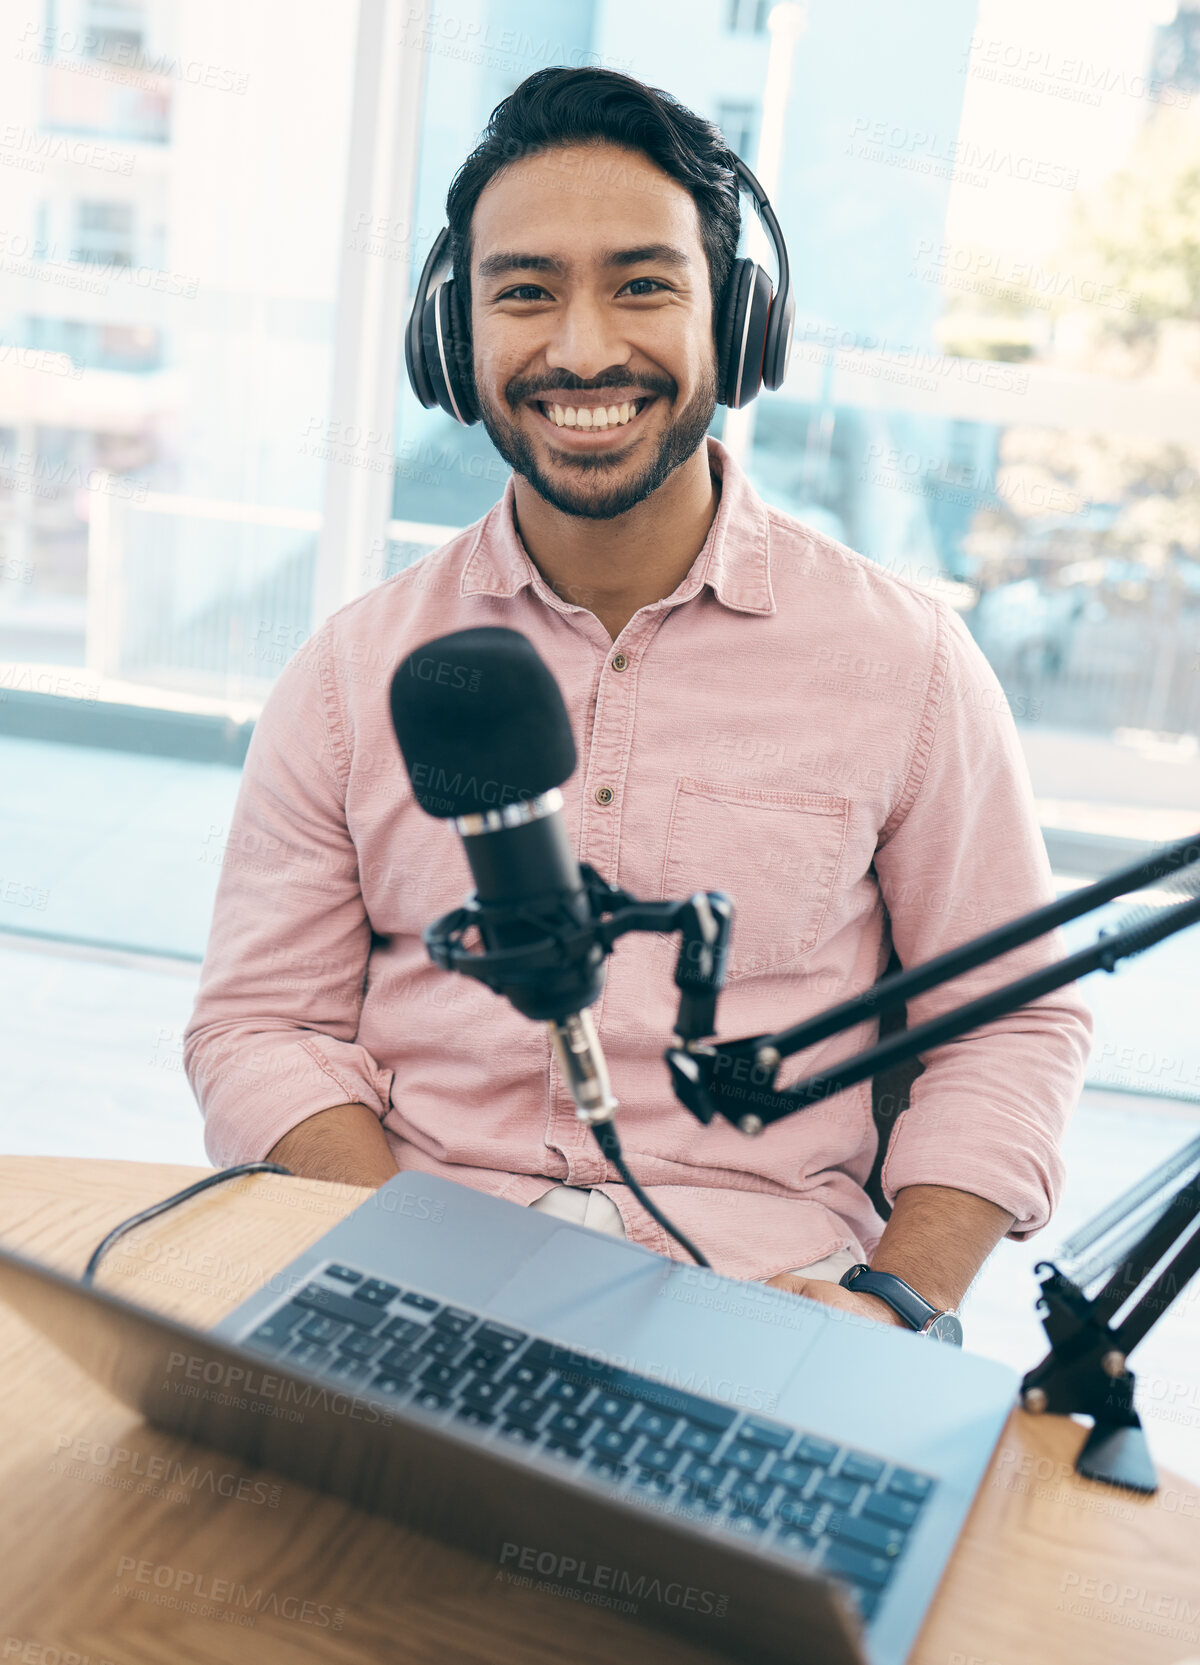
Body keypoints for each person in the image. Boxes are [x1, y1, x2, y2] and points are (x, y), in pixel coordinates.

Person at [183, 67, 1092, 1333]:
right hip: (411, 1264)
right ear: (456, 341)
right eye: (525, 293)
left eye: (643, 284)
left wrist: (893, 1302)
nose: (582, 349)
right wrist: (385, 1270)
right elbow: (259, 1024)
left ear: (741, 322)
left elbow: (1011, 1027)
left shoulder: (910, 665)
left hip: (767, 1302)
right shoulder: (351, 671)